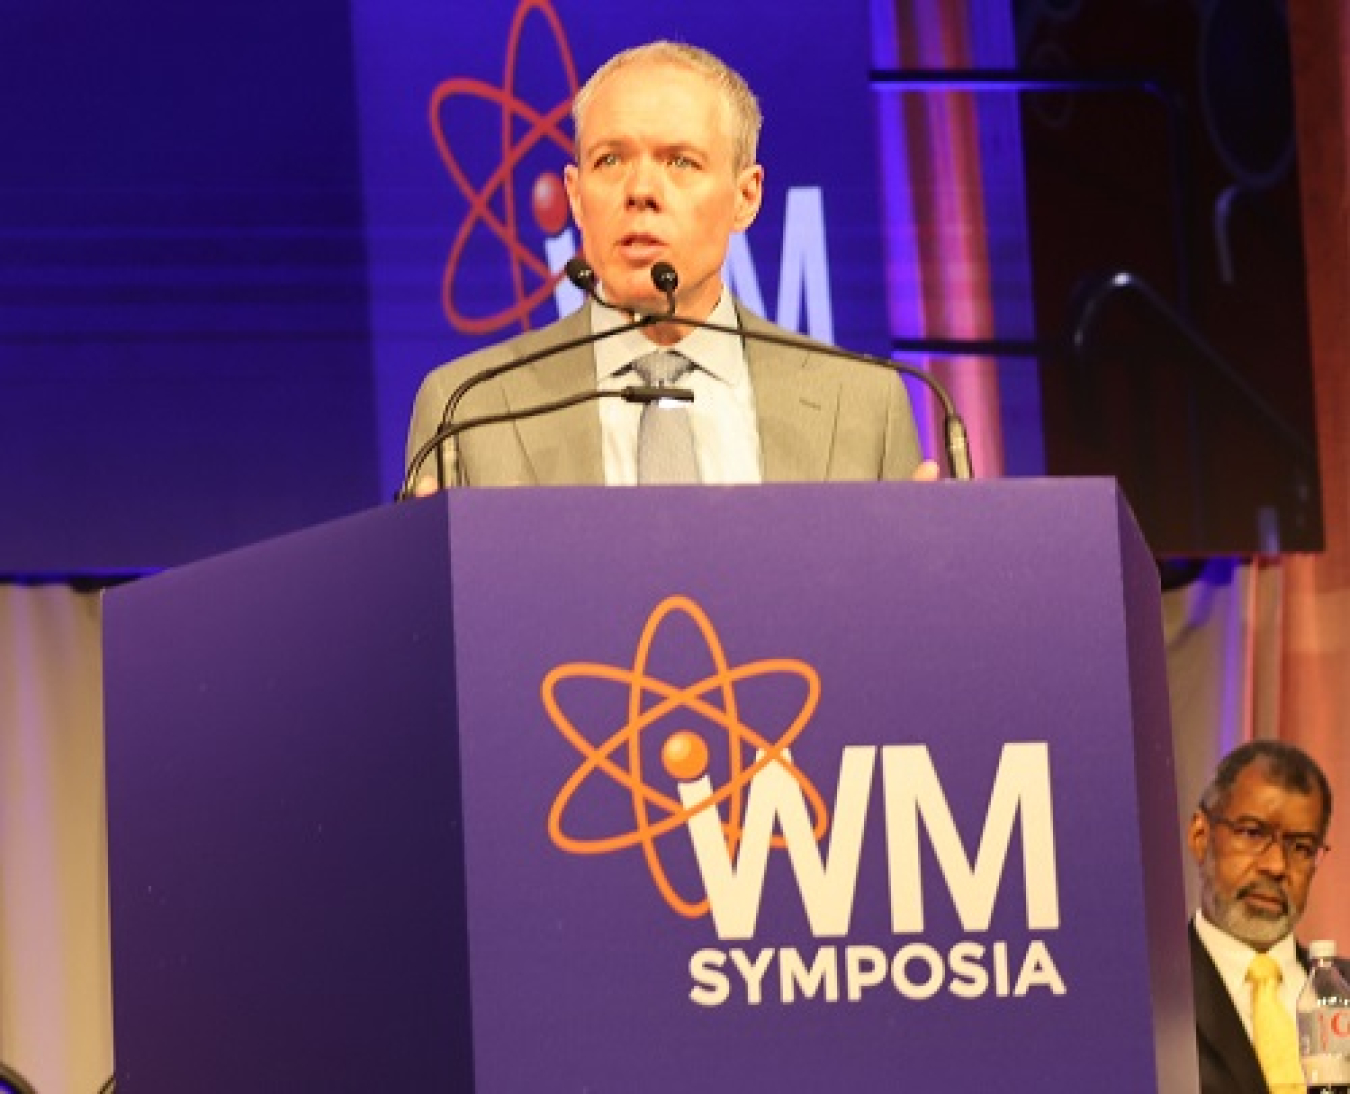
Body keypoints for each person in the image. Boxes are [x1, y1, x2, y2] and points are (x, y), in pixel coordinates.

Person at [405, 40, 939, 490]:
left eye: (680, 162)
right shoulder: (468, 410)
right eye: (609, 160)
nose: (639, 191)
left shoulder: (864, 403)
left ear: (746, 197)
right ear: (574, 194)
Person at [1187, 739, 1336, 1094]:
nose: (1276, 866)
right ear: (1200, 836)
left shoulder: (1341, 992)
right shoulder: (1151, 1000)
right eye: (1253, 833)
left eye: (1301, 847)